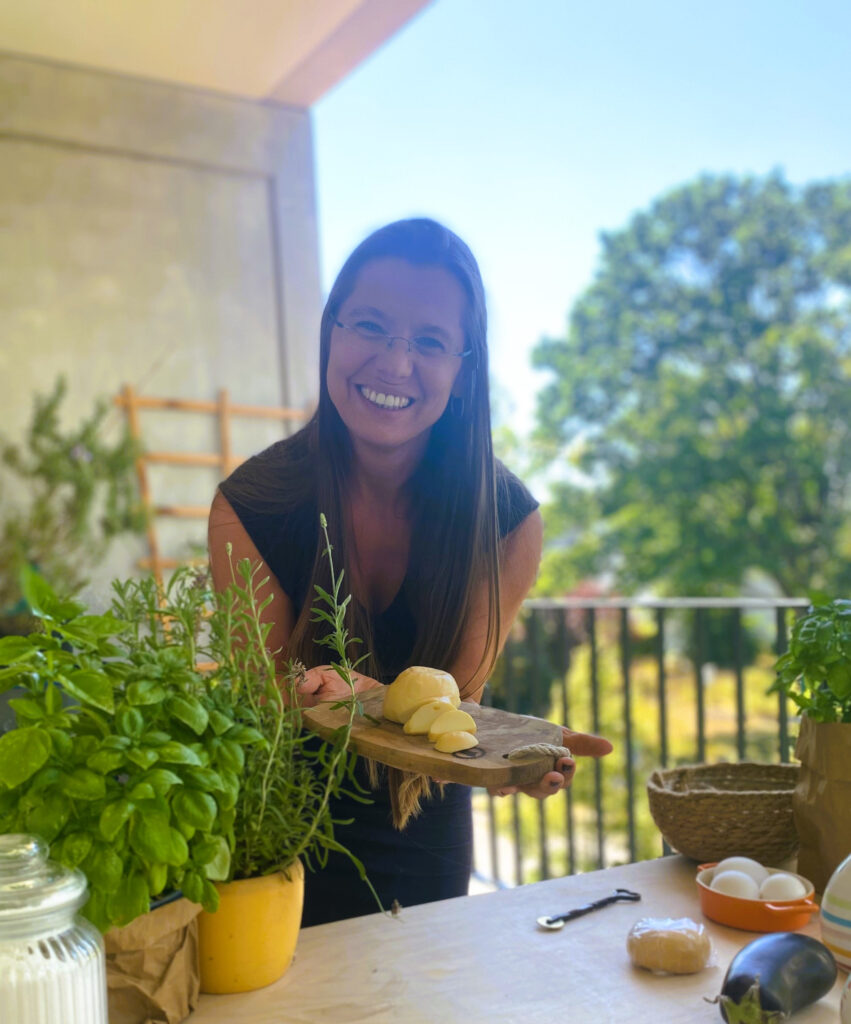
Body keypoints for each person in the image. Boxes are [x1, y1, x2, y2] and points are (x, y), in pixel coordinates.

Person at [207, 217, 612, 926]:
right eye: (369, 326)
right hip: (277, 840)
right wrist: (314, 693)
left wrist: (508, 754)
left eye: (428, 341)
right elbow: (252, 699)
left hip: (424, 832)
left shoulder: (506, 519)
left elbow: (450, 715)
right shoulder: (252, 504)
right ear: (332, 332)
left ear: (462, 370)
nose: (395, 364)